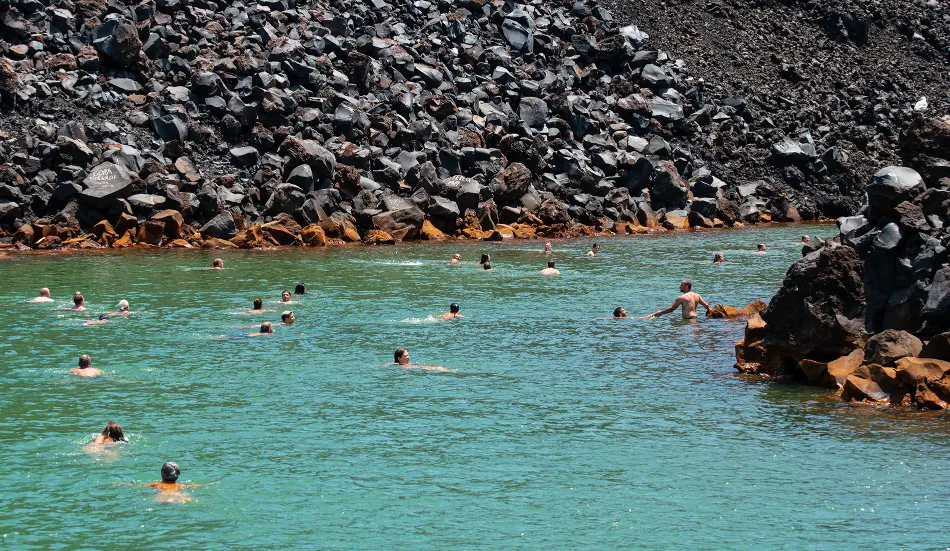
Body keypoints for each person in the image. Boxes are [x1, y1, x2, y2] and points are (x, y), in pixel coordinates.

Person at [138, 462, 216, 502]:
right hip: (177, 496)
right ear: (177, 476)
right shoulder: (180, 486)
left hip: (163, 496)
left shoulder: (157, 484)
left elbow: (139, 487)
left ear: (162, 474)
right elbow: (194, 486)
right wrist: (209, 484)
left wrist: (126, 484)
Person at [644, 280, 711, 320]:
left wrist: (657, 313)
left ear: (686, 287)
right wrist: (709, 312)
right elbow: (707, 305)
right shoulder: (697, 295)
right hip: (695, 319)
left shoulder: (681, 297)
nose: (680, 287)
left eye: (681, 285)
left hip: (687, 321)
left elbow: (671, 309)